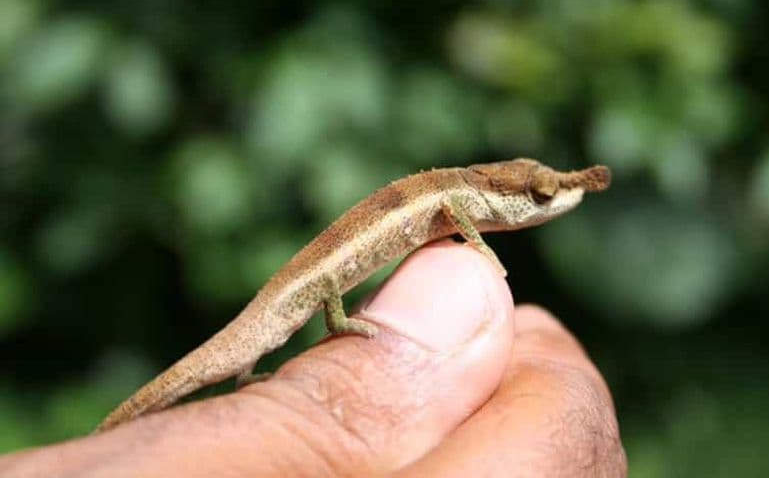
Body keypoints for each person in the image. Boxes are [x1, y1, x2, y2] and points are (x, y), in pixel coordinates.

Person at [0, 240, 626, 477]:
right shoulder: (457, 205)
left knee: (234, 362)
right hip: (292, 301)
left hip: (278, 315)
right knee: (218, 364)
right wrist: (349, 328)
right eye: (534, 196)